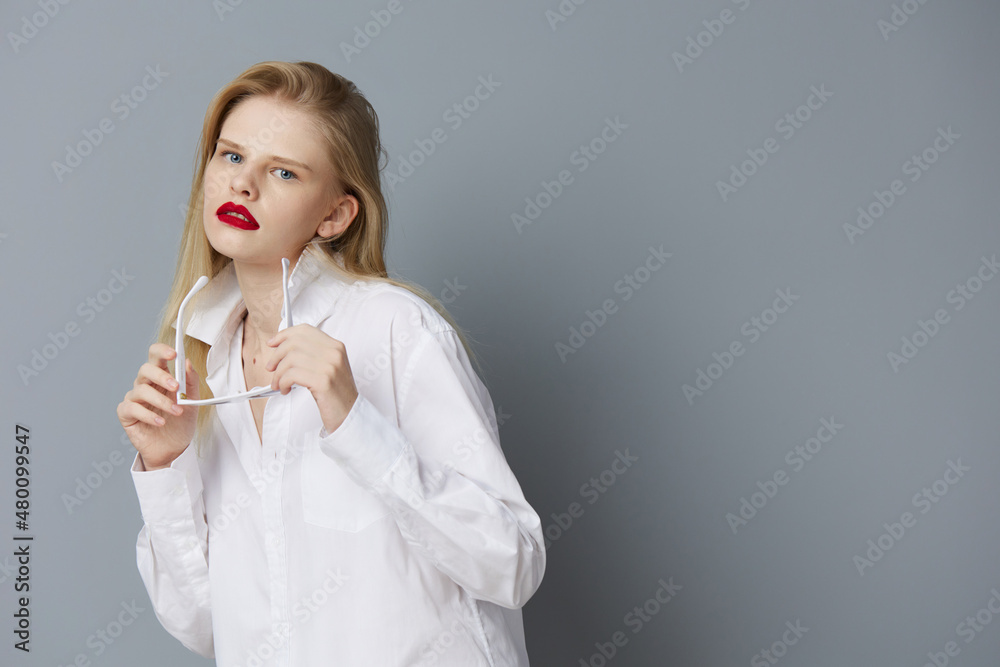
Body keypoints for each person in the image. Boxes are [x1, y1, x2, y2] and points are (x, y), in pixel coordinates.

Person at [116, 60, 545, 666]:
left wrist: (353, 422)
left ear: (335, 215)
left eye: (283, 172)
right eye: (231, 156)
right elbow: (206, 626)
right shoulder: (206, 368)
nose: (243, 185)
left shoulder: (393, 327)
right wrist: (167, 465)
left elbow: (513, 563)